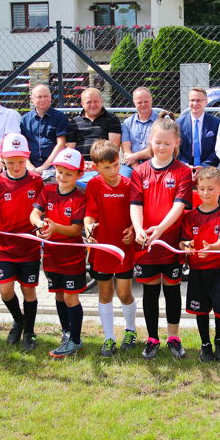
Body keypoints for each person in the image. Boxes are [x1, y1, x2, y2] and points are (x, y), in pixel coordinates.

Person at [130, 113, 192, 359]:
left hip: (169, 241)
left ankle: (173, 337)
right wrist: (138, 229)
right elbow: (135, 204)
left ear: (176, 142)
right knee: (150, 291)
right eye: (158, 142)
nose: (162, 147)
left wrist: (160, 230)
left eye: (167, 143)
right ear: (150, 141)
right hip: (146, 242)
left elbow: (179, 206)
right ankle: (152, 338)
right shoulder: (140, 171)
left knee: (172, 289)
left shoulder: (182, 171)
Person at [0, 133, 44, 352]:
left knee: (28, 290)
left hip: (30, 246)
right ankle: (19, 320)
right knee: (5, 291)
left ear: (27, 159)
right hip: (6, 247)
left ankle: (30, 332)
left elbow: (43, 211)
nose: (16, 166)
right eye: (11, 162)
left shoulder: (36, 181)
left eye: (20, 162)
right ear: (2, 160)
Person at [30, 148, 87, 358]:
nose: (62, 177)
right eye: (60, 171)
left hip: (72, 256)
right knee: (60, 296)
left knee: (72, 298)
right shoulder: (48, 191)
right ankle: (67, 333)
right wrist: (40, 223)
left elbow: (75, 229)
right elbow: (34, 213)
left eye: (69, 173)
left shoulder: (80, 197)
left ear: (80, 174)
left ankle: (76, 340)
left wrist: (54, 228)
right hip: (51, 255)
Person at [84, 139, 138, 356]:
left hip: (124, 249)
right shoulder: (93, 185)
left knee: (124, 293)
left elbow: (137, 213)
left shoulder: (129, 184)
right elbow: (90, 214)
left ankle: (131, 331)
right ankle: (108, 338)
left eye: (115, 164)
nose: (113, 170)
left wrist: (133, 229)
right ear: (96, 167)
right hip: (102, 248)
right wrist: (88, 229)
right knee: (105, 293)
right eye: (106, 167)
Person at [180, 167, 220, 362]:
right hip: (197, 272)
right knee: (201, 309)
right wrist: (186, 246)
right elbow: (184, 241)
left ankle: (219, 340)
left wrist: (212, 247)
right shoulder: (190, 216)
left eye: (210, 189)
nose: (205, 193)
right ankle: (205, 344)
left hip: (219, 271)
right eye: (201, 188)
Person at [67, 87, 122, 187]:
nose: (93, 105)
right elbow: (71, 150)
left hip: (104, 165)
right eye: (89, 102)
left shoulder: (112, 119)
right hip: (80, 167)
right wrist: (82, 165)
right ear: (82, 104)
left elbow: (113, 148)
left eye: (96, 101)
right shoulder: (74, 123)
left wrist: (96, 165)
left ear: (101, 101)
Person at [20, 84, 69, 174]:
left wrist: (44, 167)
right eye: (39, 97)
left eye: (46, 96)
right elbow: (21, 146)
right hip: (29, 166)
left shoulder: (60, 117)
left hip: (53, 166)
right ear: (32, 99)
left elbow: (61, 144)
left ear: (50, 97)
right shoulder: (24, 120)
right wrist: (29, 167)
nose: (43, 99)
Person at [177, 87, 220, 169]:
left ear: (206, 102)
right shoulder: (178, 123)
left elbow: (218, 149)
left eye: (199, 100)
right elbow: (176, 149)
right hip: (185, 166)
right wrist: (185, 165)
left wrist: (204, 166)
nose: (195, 103)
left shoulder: (216, 123)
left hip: (208, 167)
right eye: (192, 100)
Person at [120, 87, 159, 177]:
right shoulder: (127, 123)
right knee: (123, 181)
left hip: (154, 162)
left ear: (151, 100)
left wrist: (135, 156)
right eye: (139, 102)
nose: (143, 104)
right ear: (134, 102)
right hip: (131, 164)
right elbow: (126, 150)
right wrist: (138, 168)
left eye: (146, 101)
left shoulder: (160, 122)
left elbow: (156, 149)